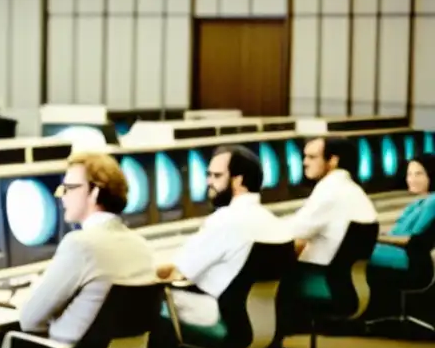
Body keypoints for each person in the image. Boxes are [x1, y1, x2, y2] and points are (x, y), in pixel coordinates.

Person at [18, 151, 155, 343]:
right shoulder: (141, 245)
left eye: (69, 188)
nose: (62, 197)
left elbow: (29, 320)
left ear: (95, 192)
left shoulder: (79, 245)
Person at [156, 146, 291, 326]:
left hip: (220, 316)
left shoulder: (224, 220)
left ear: (238, 180)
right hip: (261, 319)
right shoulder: (273, 222)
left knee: (148, 302)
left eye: (217, 176)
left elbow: (176, 271)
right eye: (208, 175)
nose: (208, 182)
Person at [287, 136, 378, 264]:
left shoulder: (330, 190)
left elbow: (292, 231)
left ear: (333, 161)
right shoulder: (349, 187)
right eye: (305, 156)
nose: (304, 162)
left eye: (312, 157)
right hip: (341, 274)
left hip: (319, 275)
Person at [370, 153, 435, 270]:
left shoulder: (432, 202)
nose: (411, 179)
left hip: (408, 257)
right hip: (396, 249)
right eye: (409, 174)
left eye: (418, 174)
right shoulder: (418, 203)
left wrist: (376, 238)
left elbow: (414, 239)